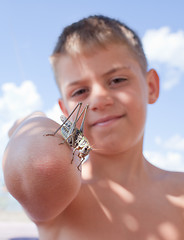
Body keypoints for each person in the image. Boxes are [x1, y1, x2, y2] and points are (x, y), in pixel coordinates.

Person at [3, 15, 184, 240]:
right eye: (80, 91)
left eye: (117, 80)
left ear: (151, 87)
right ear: (66, 110)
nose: (99, 99)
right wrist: (31, 119)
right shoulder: (62, 193)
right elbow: (40, 161)